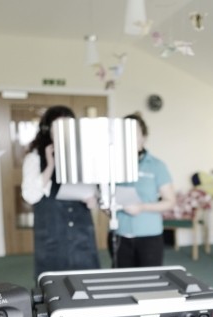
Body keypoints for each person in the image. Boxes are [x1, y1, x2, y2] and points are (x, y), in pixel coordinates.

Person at [21, 105, 100, 279]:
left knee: (87, 282)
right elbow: (30, 195)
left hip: (81, 232)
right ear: (48, 130)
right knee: (54, 286)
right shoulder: (34, 157)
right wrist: (50, 165)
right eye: (58, 128)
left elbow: (94, 192)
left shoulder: (85, 155)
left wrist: (93, 200)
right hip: (52, 233)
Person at [111, 112, 175, 268]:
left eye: (134, 133)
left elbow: (170, 202)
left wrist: (142, 207)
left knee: (150, 284)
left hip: (149, 236)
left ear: (144, 137)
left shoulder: (157, 165)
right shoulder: (112, 165)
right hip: (120, 234)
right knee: (120, 282)